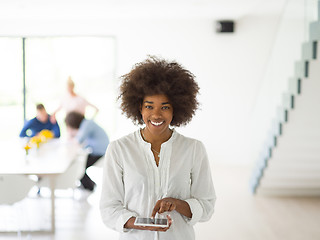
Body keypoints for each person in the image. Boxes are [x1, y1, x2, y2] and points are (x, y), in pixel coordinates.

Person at [100, 56, 216, 240]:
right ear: (139, 107)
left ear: (175, 109)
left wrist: (176, 203)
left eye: (165, 107)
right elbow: (109, 208)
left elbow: (207, 205)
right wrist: (139, 223)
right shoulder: (119, 149)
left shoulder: (194, 149)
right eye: (149, 106)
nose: (156, 114)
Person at [65, 111, 109, 192]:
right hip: (99, 151)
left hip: (101, 152)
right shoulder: (86, 123)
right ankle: (90, 184)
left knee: (79, 165)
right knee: (80, 164)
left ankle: (89, 186)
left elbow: (79, 140)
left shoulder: (87, 124)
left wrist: (70, 135)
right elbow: (84, 143)